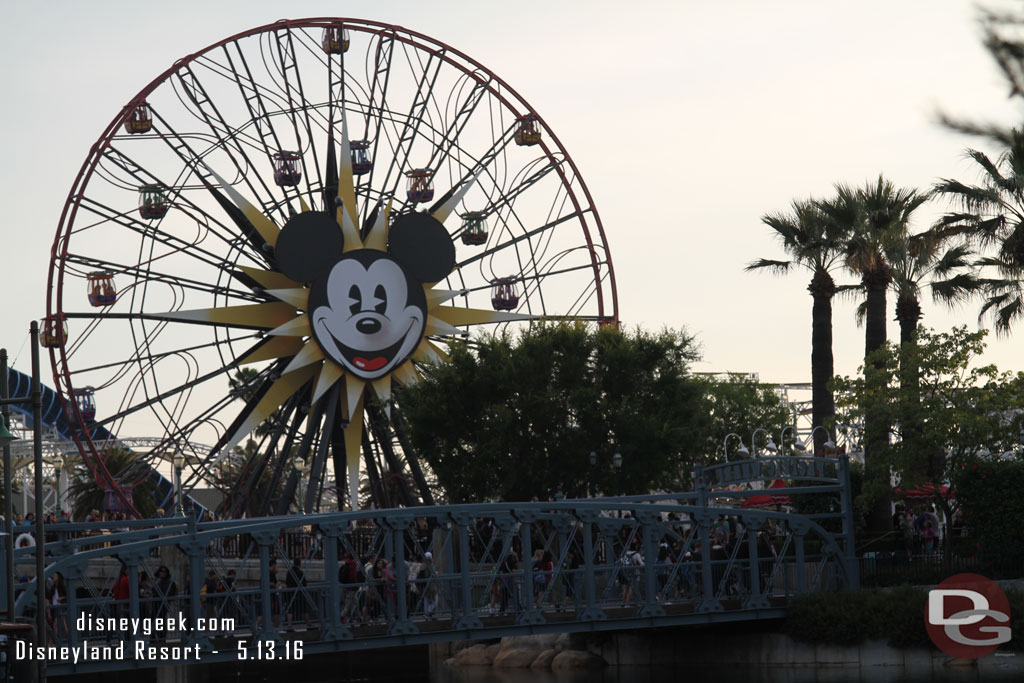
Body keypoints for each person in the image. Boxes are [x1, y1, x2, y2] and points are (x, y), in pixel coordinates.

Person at [285, 558, 307, 626]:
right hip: (299, 593)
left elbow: (287, 582)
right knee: (304, 609)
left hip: (290, 593)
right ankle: (308, 624)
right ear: (299, 564)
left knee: (290, 610)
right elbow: (304, 584)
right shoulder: (300, 572)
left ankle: (289, 625)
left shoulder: (289, 572)